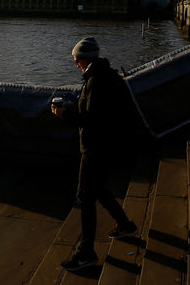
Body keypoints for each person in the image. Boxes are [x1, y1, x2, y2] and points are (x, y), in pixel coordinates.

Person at [51, 36, 138, 272]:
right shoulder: (105, 76)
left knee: (85, 197)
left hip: (96, 147)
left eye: (76, 59)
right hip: (108, 146)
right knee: (97, 189)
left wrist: (64, 115)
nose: (75, 63)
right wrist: (74, 105)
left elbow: (92, 120)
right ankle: (125, 225)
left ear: (85, 58)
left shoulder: (96, 81)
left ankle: (86, 252)